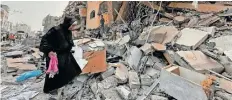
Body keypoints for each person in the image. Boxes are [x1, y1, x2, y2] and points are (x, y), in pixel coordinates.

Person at [39, 16, 82, 96]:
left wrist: (70, 46)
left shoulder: (68, 30)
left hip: (65, 54)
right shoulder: (55, 30)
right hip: (55, 55)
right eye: (72, 25)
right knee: (54, 74)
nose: (73, 27)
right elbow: (44, 41)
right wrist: (49, 51)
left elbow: (68, 41)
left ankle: (64, 83)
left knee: (71, 69)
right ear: (67, 24)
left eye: (74, 25)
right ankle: (51, 89)